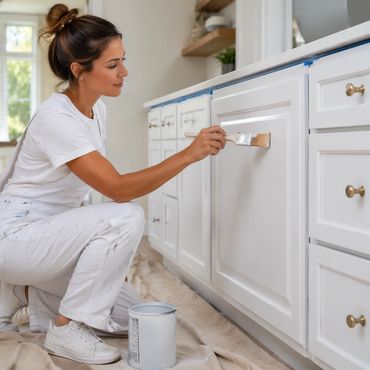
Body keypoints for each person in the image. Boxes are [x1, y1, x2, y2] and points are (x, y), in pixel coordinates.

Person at [0, 3, 226, 365]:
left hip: (50, 241)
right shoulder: (57, 119)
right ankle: (65, 328)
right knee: (125, 216)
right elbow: (117, 189)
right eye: (112, 65)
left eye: (122, 59)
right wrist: (189, 154)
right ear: (79, 70)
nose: (124, 72)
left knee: (128, 316)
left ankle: (23, 292)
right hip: (18, 237)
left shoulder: (96, 108)